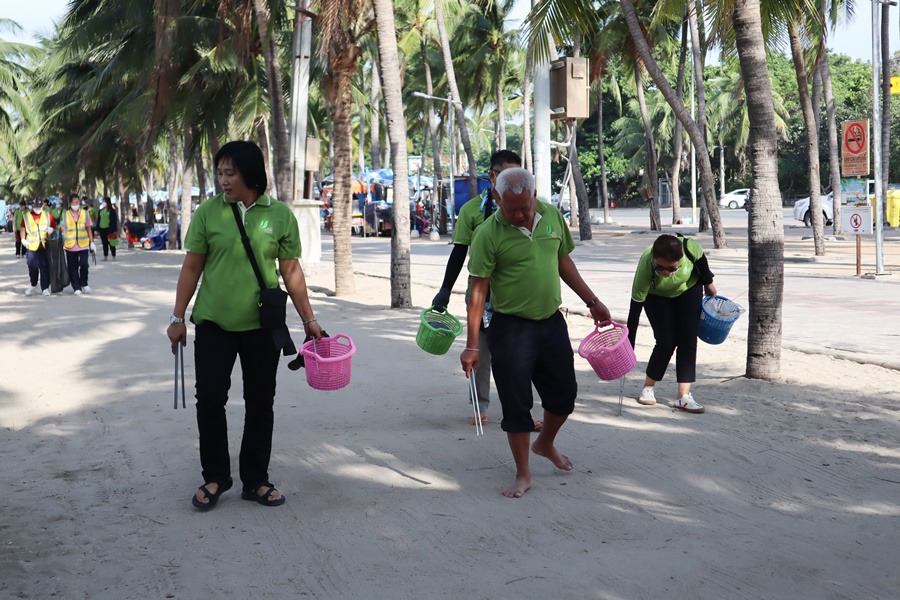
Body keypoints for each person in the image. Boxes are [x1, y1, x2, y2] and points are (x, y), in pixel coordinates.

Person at [166, 140, 323, 511]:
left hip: (261, 327)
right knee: (210, 400)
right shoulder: (208, 212)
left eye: (230, 173)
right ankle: (215, 476)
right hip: (213, 324)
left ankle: (255, 480)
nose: (223, 180)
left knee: (260, 402)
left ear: (251, 175)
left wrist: (309, 319)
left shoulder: (279, 215)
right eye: (220, 173)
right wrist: (177, 317)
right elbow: (192, 266)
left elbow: (291, 271)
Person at [461, 168, 611, 499]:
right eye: (511, 208)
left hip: (551, 322)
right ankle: (523, 474)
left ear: (533, 195)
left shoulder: (552, 216)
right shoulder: (487, 234)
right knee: (517, 404)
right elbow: (477, 291)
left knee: (564, 396)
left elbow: (563, 261)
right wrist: (472, 345)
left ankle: (545, 444)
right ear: (497, 199)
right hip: (509, 327)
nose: (519, 215)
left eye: (525, 207)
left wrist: (592, 302)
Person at [433, 150, 543, 430]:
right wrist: (445, 289)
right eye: (506, 174)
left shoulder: (529, 206)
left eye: (519, 175)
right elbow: (459, 251)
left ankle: (521, 412)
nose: (514, 181)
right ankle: (480, 407)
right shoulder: (471, 210)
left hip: (518, 297)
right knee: (479, 354)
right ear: (493, 177)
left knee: (519, 359)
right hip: (483, 297)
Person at [626, 234, 717, 414]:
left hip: (688, 290)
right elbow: (634, 312)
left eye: (672, 269)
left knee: (688, 339)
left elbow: (702, 262)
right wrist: (628, 348)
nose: (666, 273)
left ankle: (684, 396)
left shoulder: (690, 247)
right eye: (660, 268)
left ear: (680, 259)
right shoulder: (646, 266)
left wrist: (708, 283)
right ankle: (648, 388)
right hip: (656, 296)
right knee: (666, 342)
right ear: (653, 258)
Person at [21, 198, 56, 296]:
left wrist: (51, 230)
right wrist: (23, 239)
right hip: (31, 246)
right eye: (36, 207)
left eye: (39, 207)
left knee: (44, 267)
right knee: (32, 265)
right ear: (32, 207)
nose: (37, 209)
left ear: (42, 206)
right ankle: (33, 283)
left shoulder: (48, 215)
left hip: (44, 245)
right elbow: (23, 228)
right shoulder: (27, 216)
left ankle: (45, 288)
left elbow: (54, 227)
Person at [62, 193, 94, 295]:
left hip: (83, 244)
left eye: (77, 202)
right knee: (72, 267)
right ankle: (76, 287)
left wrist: (92, 242)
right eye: (73, 203)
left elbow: (88, 228)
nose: (75, 204)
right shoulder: (65, 214)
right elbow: (62, 227)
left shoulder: (85, 213)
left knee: (84, 264)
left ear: (79, 202)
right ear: (70, 203)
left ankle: (84, 283)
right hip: (70, 245)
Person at [97, 197, 118, 261]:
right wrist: (97, 228)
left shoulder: (112, 211)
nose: (104, 203)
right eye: (103, 201)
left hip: (109, 229)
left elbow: (114, 221)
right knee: (104, 244)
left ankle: (113, 256)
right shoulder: (100, 211)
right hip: (102, 229)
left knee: (111, 243)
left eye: (105, 201)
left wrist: (114, 230)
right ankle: (105, 256)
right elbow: (98, 220)